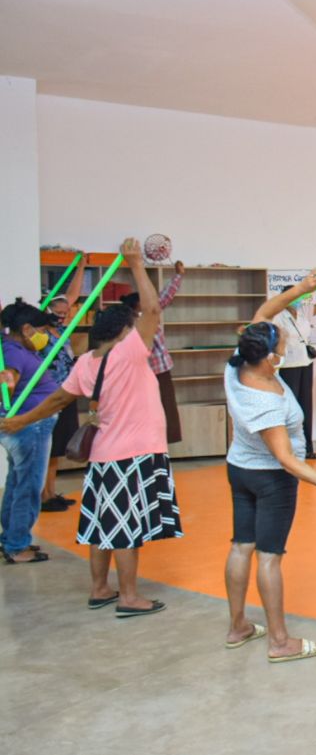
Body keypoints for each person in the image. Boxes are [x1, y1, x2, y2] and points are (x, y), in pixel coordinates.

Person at [3, 239, 181, 614]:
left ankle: (100, 589)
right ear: (125, 332)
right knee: (127, 529)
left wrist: (21, 419)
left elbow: (57, 400)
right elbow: (152, 308)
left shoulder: (86, 363)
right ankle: (129, 597)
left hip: (102, 458)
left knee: (104, 525)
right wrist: (135, 263)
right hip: (133, 456)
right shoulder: (129, 352)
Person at [222, 272, 316, 663]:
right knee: (268, 556)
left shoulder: (237, 366)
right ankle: (279, 642)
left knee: (241, 546)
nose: (284, 347)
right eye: (281, 346)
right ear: (270, 358)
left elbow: (266, 312)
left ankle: (238, 626)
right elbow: (285, 459)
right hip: (272, 480)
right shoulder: (265, 401)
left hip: (240, 469)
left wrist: (302, 290)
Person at [1, 300, 63, 564]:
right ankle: (17, 545)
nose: (44, 336)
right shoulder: (13, 353)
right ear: (26, 329)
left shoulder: (14, 348)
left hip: (29, 426)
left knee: (18, 482)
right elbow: (7, 384)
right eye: (41, 331)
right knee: (28, 486)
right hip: (29, 427)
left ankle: (11, 538)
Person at [274, 272, 316, 460]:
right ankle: (288, 449)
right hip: (288, 365)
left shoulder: (303, 311)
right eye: (294, 297)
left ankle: (307, 448)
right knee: (291, 407)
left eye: (299, 296)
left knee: (306, 405)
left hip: (305, 363)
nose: (298, 300)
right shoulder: (278, 316)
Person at [40, 250, 87, 511]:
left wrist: (80, 266)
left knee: (58, 446)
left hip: (67, 391)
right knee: (48, 446)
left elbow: (72, 295)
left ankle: (51, 492)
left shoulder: (61, 329)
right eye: (58, 312)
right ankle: (43, 495)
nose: (63, 315)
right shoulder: (41, 332)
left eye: (65, 312)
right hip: (50, 393)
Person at [120, 260, 184, 444]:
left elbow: (165, 296)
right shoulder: (133, 322)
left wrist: (178, 275)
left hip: (160, 370)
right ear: (137, 305)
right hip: (146, 373)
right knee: (151, 411)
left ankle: (160, 446)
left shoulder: (147, 315)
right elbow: (163, 298)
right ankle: (149, 446)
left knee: (166, 410)